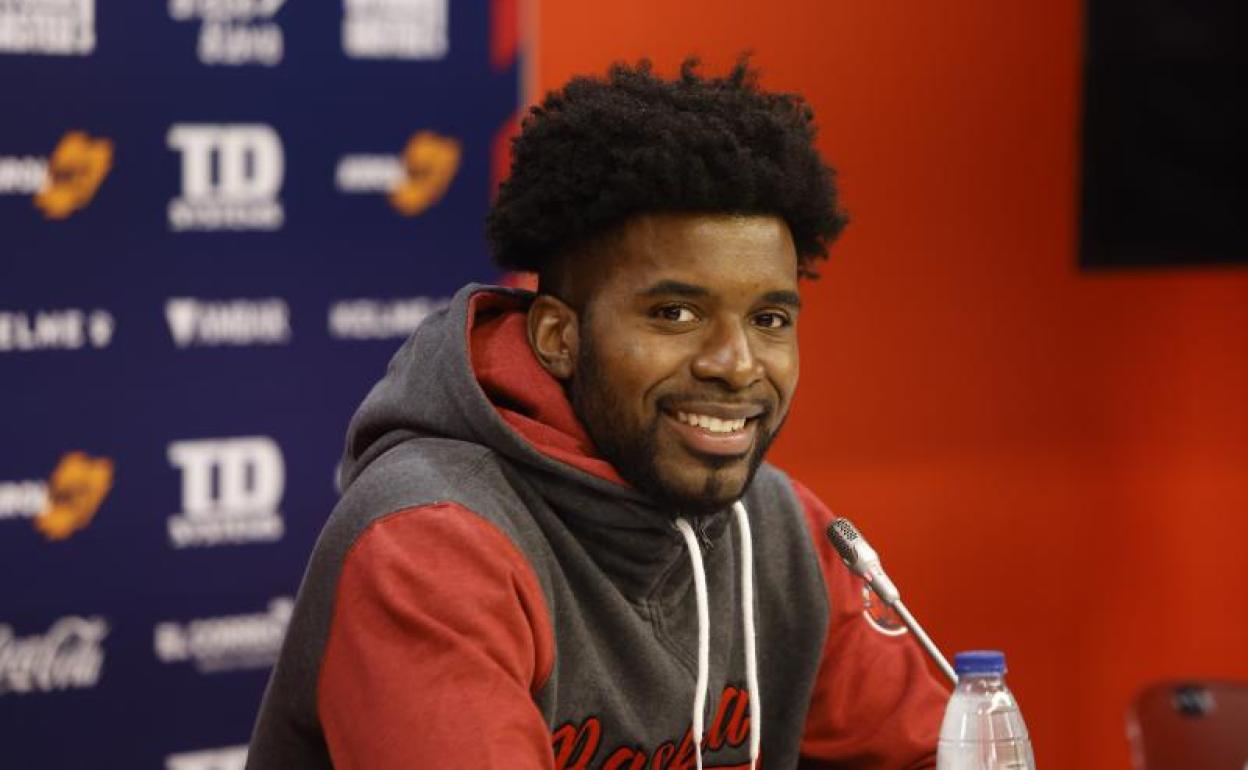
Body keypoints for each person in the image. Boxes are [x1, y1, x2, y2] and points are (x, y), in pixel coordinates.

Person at [247, 58, 948, 770]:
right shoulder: (432, 543)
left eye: (769, 318)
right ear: (560, 338)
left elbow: (933, 754)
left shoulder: (779, 529)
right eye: (675, 313)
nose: (736, 364)